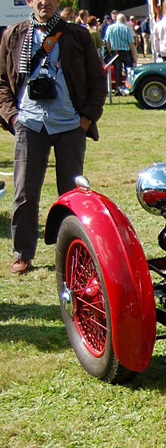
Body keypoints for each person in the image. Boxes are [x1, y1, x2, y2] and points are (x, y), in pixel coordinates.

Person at [0, 0, 106, 275]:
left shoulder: (77, 35)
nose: (44, 2)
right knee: (24, 192)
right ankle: (22, 252)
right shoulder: (14, 34)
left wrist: (86, 119)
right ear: (31, 1)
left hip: (70, 124)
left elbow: (97, 79)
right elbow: (1, 81)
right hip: (29, 122)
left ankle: (74, 252)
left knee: (72, 194)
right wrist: (12, 116)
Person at [104, 13, 134, 92]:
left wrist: (110, 51)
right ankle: (128, 87)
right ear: (124, 20)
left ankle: (118, 88)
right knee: (128, 70)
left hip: (115, 51)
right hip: (126, 51)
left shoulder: (110, 28)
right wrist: (134, 56)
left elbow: (107, 41)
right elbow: (131, 43)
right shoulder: (126, 28)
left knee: (117, 71)